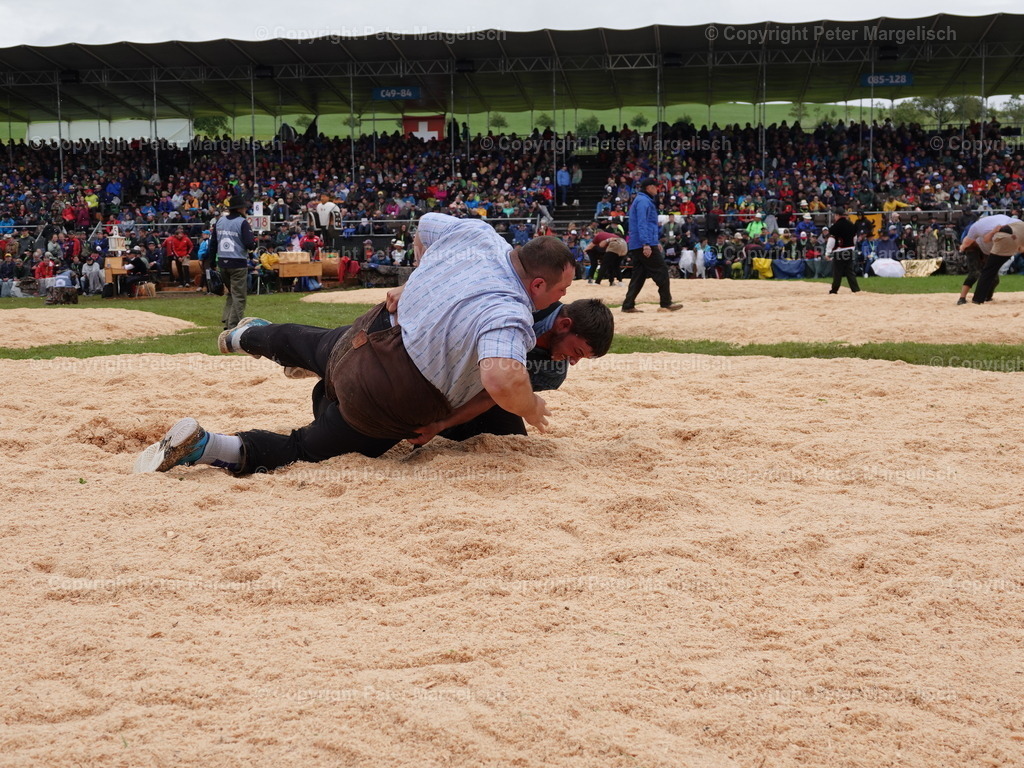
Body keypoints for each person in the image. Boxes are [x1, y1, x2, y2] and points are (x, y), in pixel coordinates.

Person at [134, 214, 578, 476]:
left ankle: (242, 335)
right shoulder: (511, 310)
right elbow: (501, 378)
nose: (559, 299)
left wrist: (421, 279)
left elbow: (424, 226)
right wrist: (530, 407)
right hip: (389, 395)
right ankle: (207, 446)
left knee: (311, 343)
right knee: (305, 449)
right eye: (559, 292)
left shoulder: (478, 235)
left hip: (369, 336)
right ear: (538, 282)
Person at [621, 178, 681, 313]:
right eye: (655, 187)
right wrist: (647, 244)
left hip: (639, 243)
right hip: (643, 243)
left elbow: (647, 224)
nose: (657, 189)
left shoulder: (641, 200)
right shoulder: (643, 201)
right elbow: (643, 224)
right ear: (649, 187)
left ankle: (628, 305)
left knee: (639, 275)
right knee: (662, 270)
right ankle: (666, 303)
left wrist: (654, 242)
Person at [208, 195, 255, 330]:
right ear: (240, 208)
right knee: (239, 296)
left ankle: (226, 317)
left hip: (222, 262)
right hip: (238, 262)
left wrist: (212, 262)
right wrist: (254, 242)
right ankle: (232, 325)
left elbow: (213, 243)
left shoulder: (220, 221)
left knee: (231, 293)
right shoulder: (242, 222)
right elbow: (249, 244)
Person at [957, 213, 1020, 305]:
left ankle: (987, 297)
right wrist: (962, 248)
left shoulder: (1010, 235)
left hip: (989, 252)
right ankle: (962, 298)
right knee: (975, 273)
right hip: (975, 248)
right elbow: (973, 241)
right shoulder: (978, 228)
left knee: (994, 279)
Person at [971, 220, 1024, 304]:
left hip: (1003, 236)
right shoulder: (1017, 224)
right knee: (990, 271)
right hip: (1008, 237)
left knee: (988, 271)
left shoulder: (1014, 223)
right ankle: (981, 298)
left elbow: (986, 239)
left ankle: (978, 299)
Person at [826, 209, 860, 294]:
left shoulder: (835, 227)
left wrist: (828, 252)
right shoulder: (851, 225)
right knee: (850, 271)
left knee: (837, 272)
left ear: (837, 215)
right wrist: (852, 247)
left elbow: (831, 240)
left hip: (839, 252)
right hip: (849, 251)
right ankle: (855, 289)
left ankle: (834, 290)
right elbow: (854, 238)